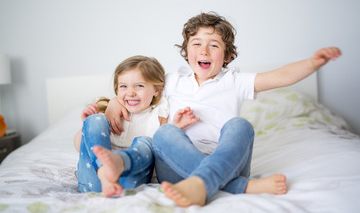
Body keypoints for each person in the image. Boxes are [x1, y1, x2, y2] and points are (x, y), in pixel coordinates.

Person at [105, 12, 342, 206]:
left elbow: (280, 76)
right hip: (175, 167)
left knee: (240, 125)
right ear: (186, 52)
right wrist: (115, 102)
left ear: (227, 55)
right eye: (196, 44)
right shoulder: (172, 79)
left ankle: (201, 183)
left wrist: (313, 63)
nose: (204, 51)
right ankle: (242, 187)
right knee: (165, 133)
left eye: (214, 45)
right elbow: (139, 89)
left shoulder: (235, 81)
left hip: (227, 161)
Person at [73, 55, 199, 197]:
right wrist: (86, 126)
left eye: (139, 86)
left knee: (146, 142)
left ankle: (117, 165)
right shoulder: (109, 112)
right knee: (96, 120)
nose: (131, 92)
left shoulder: (159, 113)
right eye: (123, 86)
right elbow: (79, 146)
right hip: (93, 181)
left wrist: (176, 126)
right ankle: (104, 170)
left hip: (130, 181)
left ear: (156, 89)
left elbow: (164, 143)